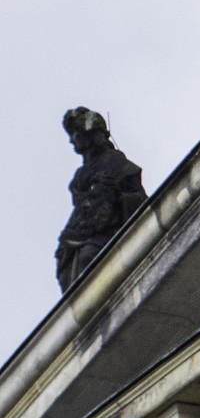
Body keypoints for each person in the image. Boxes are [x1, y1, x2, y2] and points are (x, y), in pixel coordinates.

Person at [56, 108, 145, 290]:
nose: (72, 139)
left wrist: (119, 199)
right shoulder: (80, 175)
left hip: (107, 229)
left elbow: (139, 198)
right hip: (82, 229)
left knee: (88, 257)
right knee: (64, 261)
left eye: (75, 133)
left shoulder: (114, 159)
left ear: (88, 134)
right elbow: (80, 202)